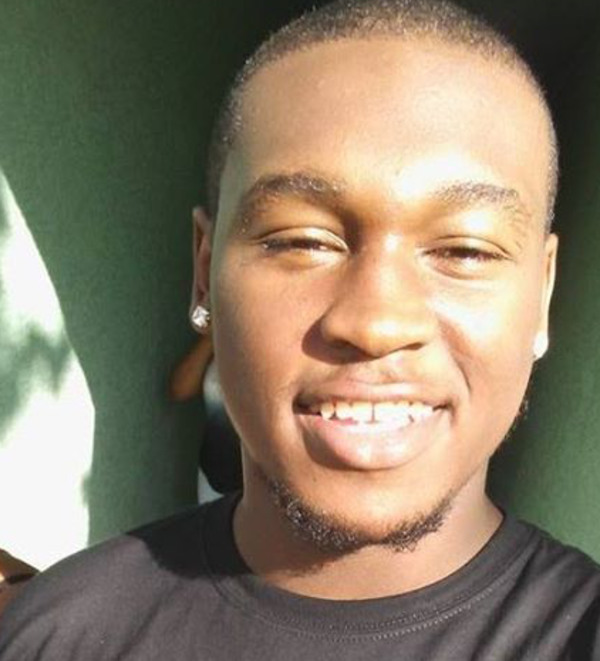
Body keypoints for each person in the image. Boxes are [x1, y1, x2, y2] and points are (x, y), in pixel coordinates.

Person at [1, 0, 599, 658]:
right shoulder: (54, 634)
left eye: (465, 251)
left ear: (541, 296)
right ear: (203, 273)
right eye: (302, 241)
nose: (377, 323)